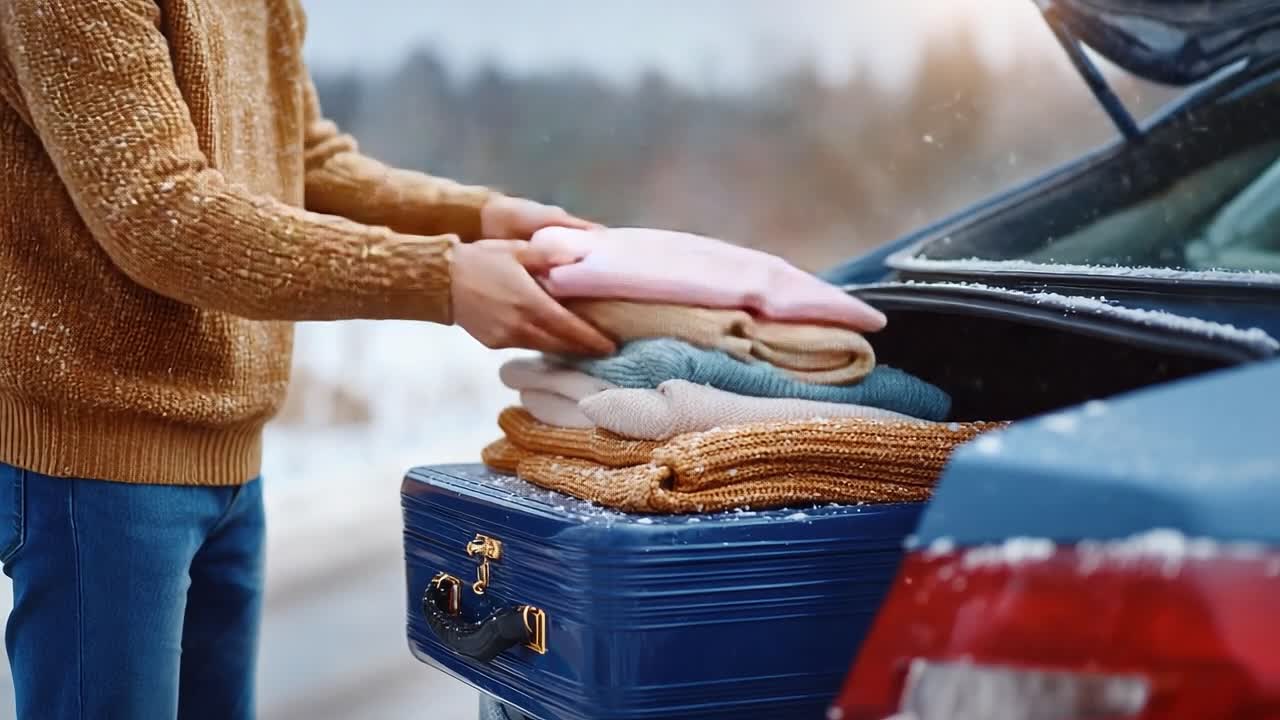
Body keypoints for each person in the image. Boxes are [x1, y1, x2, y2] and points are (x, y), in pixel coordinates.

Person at [0, 1, 616, 718]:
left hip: (231, 454)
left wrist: (473, 217)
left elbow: (305, 161)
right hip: (96, 466)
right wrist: (438, 277)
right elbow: (161, 213)